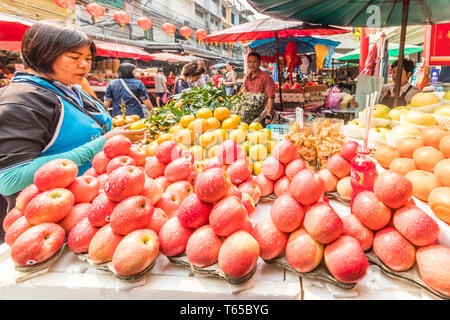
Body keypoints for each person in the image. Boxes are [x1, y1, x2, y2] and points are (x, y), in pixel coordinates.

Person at [0, 20, 145, 224]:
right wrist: (102, 143)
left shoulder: (72, 90)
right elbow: (10, 178)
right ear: (44, 55)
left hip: (92, 206)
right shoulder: (22, 100)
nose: (85, 65)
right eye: (75, 57)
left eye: (88, 58)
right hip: (53, 218)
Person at [243, 52, 275, 125]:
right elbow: (247, 96)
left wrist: (268, 116)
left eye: (254, 62)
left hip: (263, 116)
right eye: (249, 62)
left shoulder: (266, 78)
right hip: (251, 115)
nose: (252, 64)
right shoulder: (247, 79)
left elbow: (271, 98)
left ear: (259, 63)